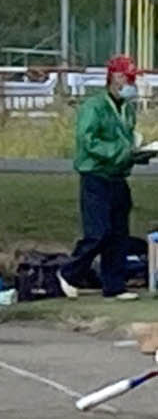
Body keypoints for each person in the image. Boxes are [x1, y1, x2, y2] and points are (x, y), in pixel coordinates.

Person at [59, 55, 152, 301]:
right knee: (98, 232)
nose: (130, 83)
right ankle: (68, 273)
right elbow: (88, 142)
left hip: (118, 176)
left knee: (119, 234)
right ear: (113, 77)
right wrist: (121, 152)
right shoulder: (93, 107)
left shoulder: (127, 109)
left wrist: (139, 154)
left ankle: (114, 285)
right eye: (126, 77)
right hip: (95, 176)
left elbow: (127, 139)